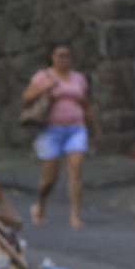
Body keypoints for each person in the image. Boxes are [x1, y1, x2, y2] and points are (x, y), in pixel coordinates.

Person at [22, 43, 98, 229]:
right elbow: (27, 97)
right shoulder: (43, 76)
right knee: (49, 178)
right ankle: (40, 204)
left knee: (76, 171)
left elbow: (86, 104)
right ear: (52, 57)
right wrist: (45, 87)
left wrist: (93, 126)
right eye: (59, 55)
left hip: (76, 128)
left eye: (67, 55)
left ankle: (75, 215)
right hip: (51, 130)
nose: (63, 59)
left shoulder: (78, 78)